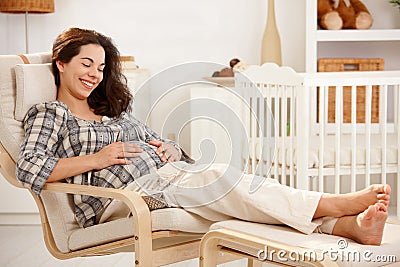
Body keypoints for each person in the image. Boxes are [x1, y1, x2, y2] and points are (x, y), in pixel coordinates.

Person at [16, 27, 391, 246]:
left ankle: (343, 227)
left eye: (100, 67)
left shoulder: (113, 112)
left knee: (228, 184)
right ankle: (333, 205)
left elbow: (162, 142)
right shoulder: (52, 114)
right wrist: (98, 158)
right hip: (120, 201)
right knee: (218, 177)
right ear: (61, 63)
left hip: (166, 180)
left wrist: (170, 148)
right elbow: (28, 169)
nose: (94, 74)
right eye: (86, 63)